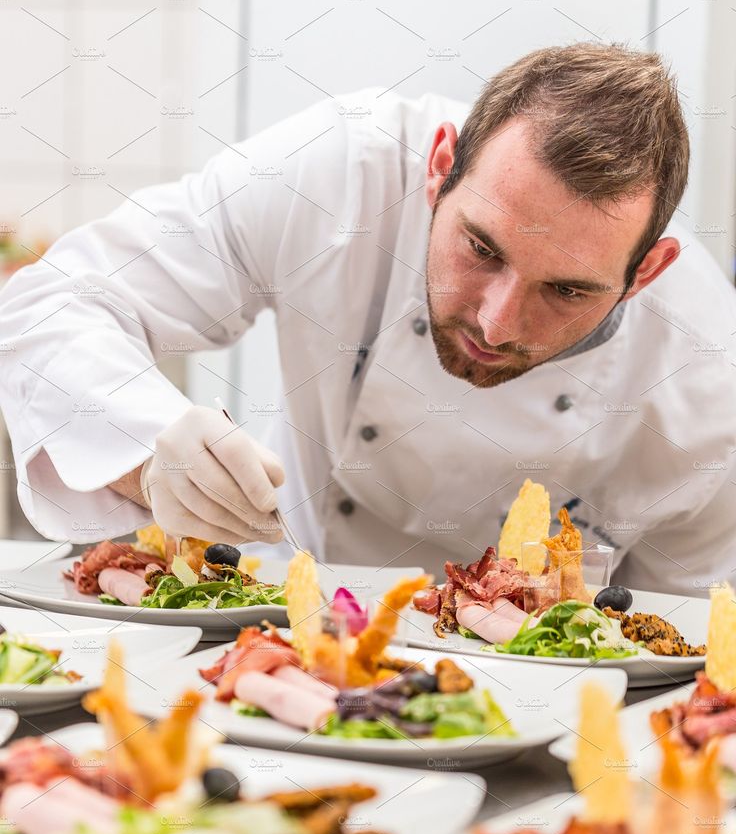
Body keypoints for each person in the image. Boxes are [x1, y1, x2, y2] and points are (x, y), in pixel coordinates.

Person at [2, 43, 735, 594]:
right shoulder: (341, 173)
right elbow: (54, 298)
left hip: (536, 706)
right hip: (281, 608)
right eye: (481, 248)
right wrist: (145, 448)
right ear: (439, 167)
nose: (497, 321)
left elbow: (691, 651)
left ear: (646, 271)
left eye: (566, 291)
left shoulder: (711, 385)